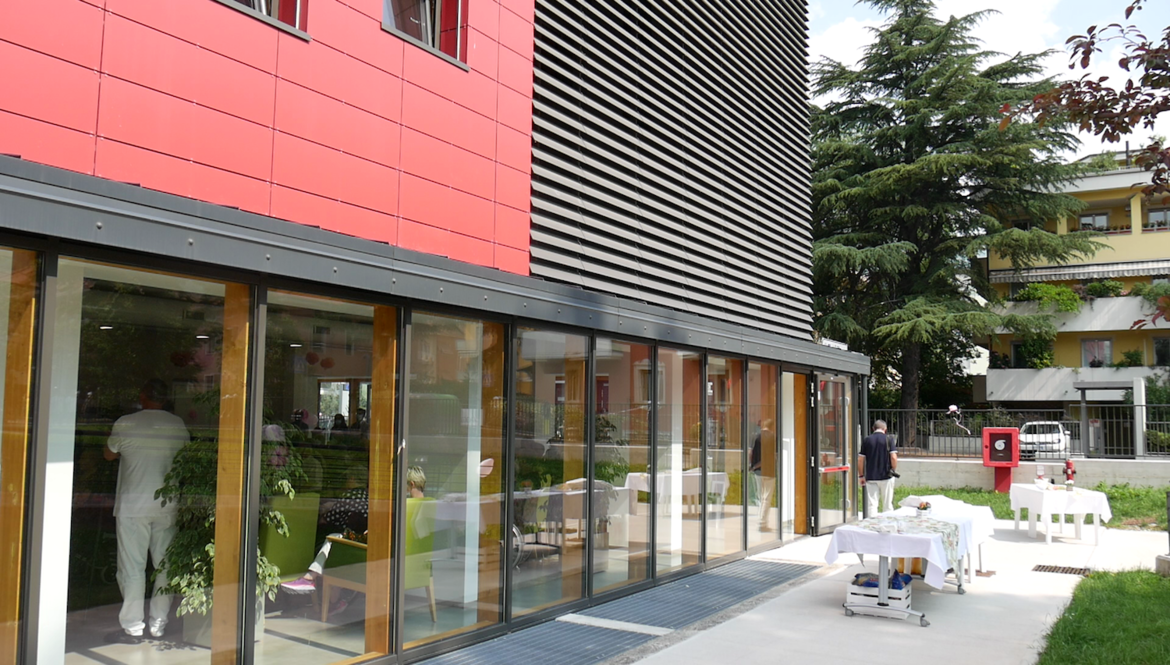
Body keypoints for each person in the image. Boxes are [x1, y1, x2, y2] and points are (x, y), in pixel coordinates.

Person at [104, 378, 190, 642]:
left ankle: (133, 627)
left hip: (133, 506)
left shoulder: (126, 423)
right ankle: (158, 624)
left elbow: (109, 454)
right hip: (167, 504)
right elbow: (186, 456)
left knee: (132, 567)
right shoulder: (177, 425)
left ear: (142, 396)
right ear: (165, 398)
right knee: (164, 565)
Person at [859, 419, 897, 517]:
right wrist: (893, 469)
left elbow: (861, 459)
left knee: (872, 504)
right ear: (885, 429)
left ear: (873, 428)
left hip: (871, 476)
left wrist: (861, 475)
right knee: (887, 504)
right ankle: (888, 522)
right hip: (886, 476)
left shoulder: (867, 440)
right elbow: (893, 457)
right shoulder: (889, 439)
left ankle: (872, 523)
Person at [749, 419, 776, 531]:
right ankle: (762, 523)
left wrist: (752, 466)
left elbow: (750, 452)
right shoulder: (773, 437)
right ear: (772, 426)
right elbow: (774, 454)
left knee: (760, 497)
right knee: (766, 498)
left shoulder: (756, 437)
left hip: (757, 471)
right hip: (769, 470)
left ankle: (760, 521)